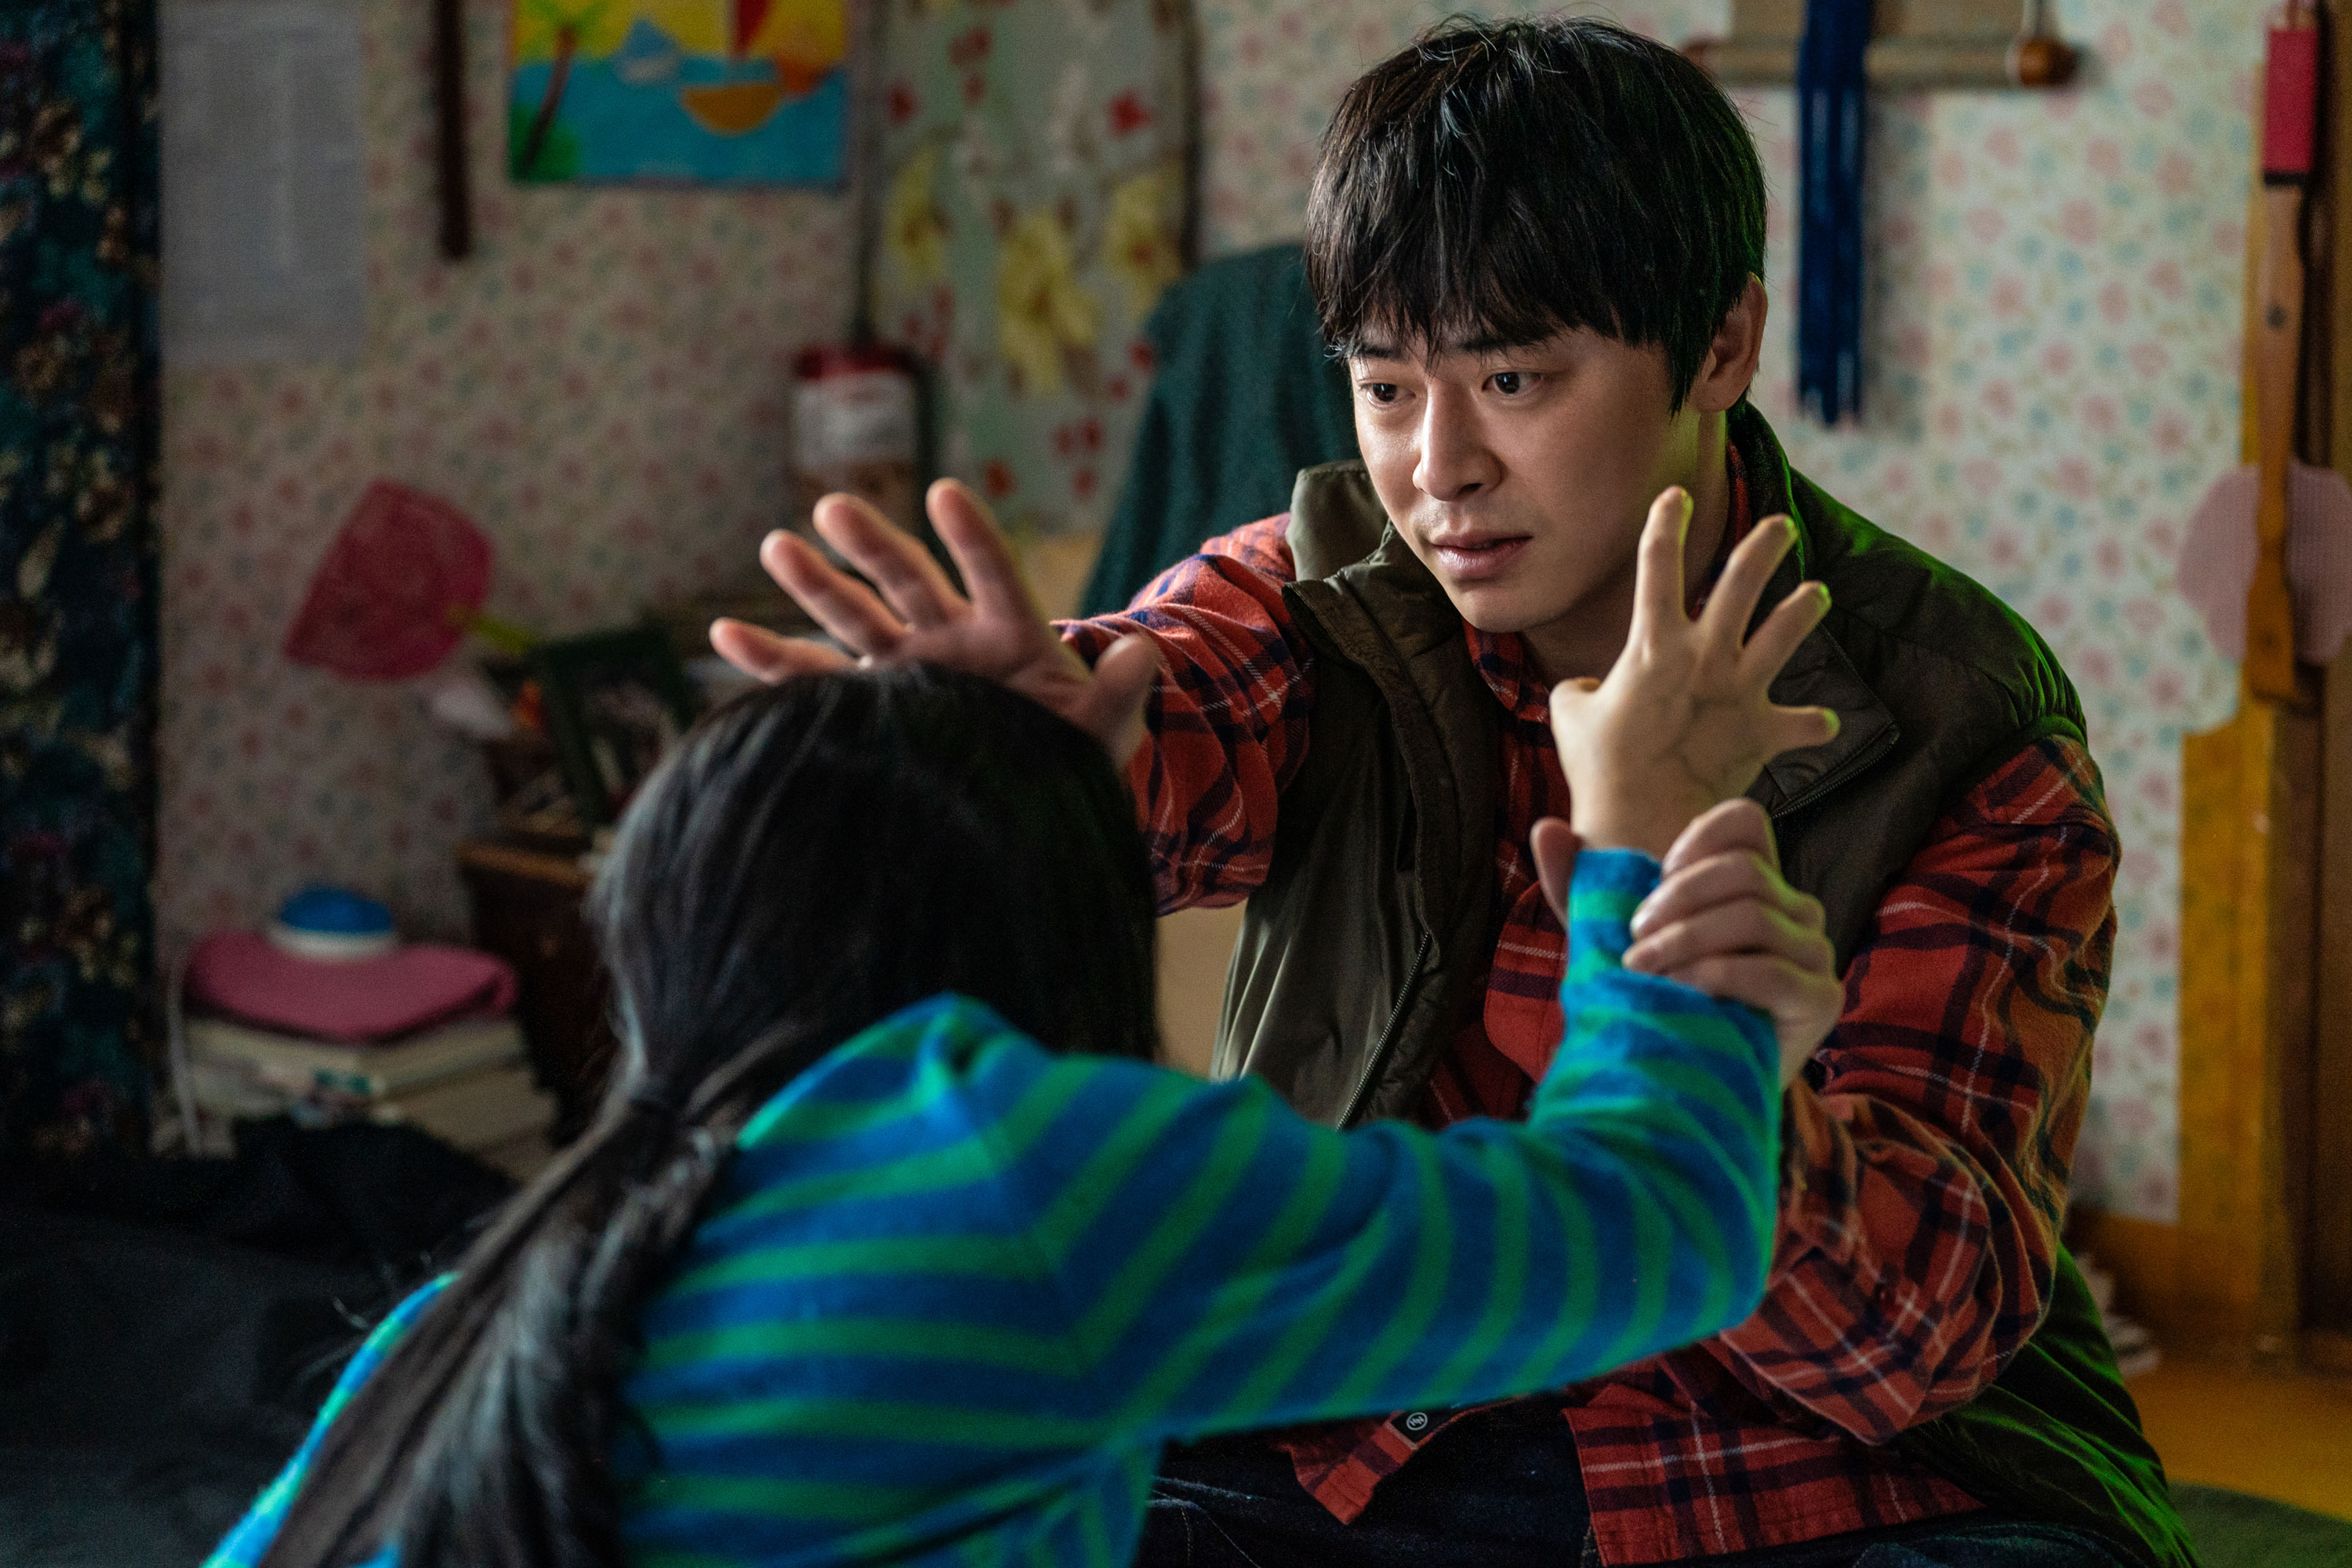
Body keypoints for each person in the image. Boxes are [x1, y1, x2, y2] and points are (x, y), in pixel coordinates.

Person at [711, 17, 2187, 1568]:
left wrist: (1690, 1039)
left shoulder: (1963, 718)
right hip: (1361, 1426)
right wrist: (1030, 768)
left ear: (1722, 345)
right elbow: (1179, 709)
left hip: (1798, 1474)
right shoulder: (1319, 596)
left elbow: (1911, 1340)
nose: (1439, 467)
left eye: (1513, 377)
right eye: (1385, 388)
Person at [209, 492, 1846, 1568]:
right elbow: (1659, 1231)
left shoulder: (494, 1299)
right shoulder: (1016, 1173)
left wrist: (1022, 780)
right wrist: (1643, 833)